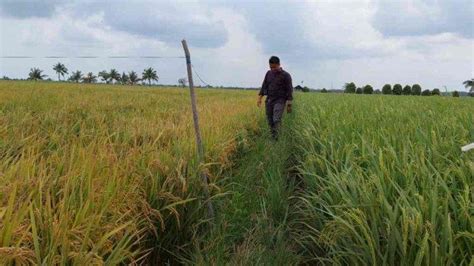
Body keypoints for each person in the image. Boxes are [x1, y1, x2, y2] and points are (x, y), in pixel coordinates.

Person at [257, 56, 293, 140]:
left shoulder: (286, 75)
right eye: (271, 67)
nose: (272, 69)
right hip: (269, 100)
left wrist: (289, 104)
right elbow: (264, 86)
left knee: (276, 119)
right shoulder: (268, 73)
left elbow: (289, 90)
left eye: (274, 67)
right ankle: (274, 138)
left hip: (280, 100)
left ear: (279, 64)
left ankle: (279, 138)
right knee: (270, 120)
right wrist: (259, 98)